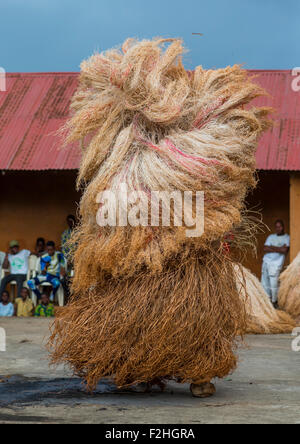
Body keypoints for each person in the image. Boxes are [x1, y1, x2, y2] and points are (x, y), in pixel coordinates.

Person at [261, 220, 290, 308]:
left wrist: (272, 247)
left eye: (280, 226)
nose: (278, 229)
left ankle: (274, 302)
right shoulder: (271, 236)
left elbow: (285, 250)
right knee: (265, 283)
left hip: (276, 263)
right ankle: (267, 302)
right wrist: (279, 248)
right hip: (266, 261)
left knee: (274, 283)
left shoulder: (287, 237)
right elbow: (265, 248)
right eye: (276, 227)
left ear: (283, 227)